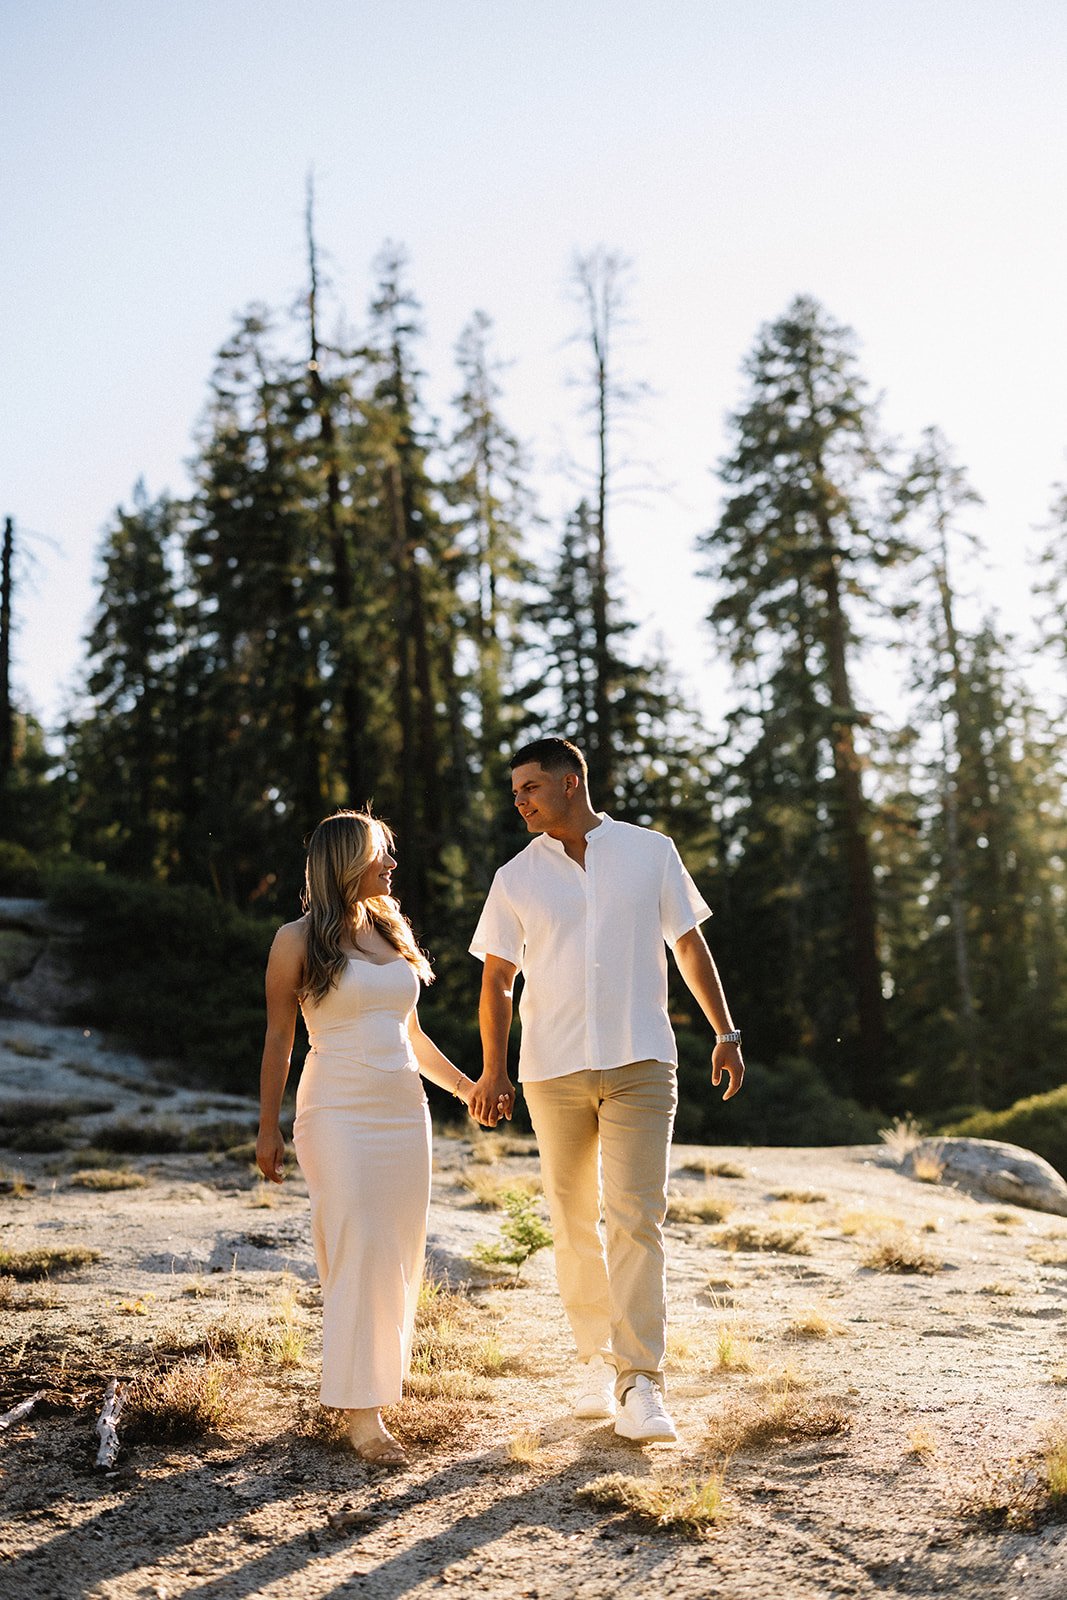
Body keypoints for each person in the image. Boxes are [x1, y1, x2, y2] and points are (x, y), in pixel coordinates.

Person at [468, 737, 744, 1443]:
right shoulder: (515, 877)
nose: (520, 802)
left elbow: (689, 944)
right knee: (570, 1219)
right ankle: (600, 1358)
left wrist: (725, 1031)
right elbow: (497, 979)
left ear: (570, 782)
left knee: (636, 1217)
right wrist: (493, 1069)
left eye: (530, 787)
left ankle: (640, 1380)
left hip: (641, 1060)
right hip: (551, 1068)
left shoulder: (651, 852)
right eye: (514, 792)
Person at [256, 810, 477, 1467]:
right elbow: (279, 1038)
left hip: (404, 1112)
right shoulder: (295, 941)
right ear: (346, 861)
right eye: (381, 854)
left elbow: (410, 1035)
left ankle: (373, 1386)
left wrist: (466, 1089)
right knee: (357, 1245)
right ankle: (362, 1415)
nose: (391, 864)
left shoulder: (388, 929)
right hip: (336, 1112)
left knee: (395, 1253)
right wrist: (267, 1127)